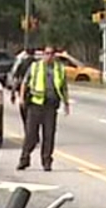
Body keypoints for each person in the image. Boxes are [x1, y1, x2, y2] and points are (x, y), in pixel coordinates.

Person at [17, 44, 71, 172]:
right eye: (46, 53)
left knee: (49, 135)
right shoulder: (35, 67)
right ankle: (24, 160)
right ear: (43, 55)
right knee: (31, 135)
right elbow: (25, 82)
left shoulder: (59, 69)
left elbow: (64, 87)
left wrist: (66, 104)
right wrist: (21, 97)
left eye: (51, 53)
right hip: (35, 105)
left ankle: (47, 162)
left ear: (54, 55)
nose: (49, 56)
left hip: (50, 106)